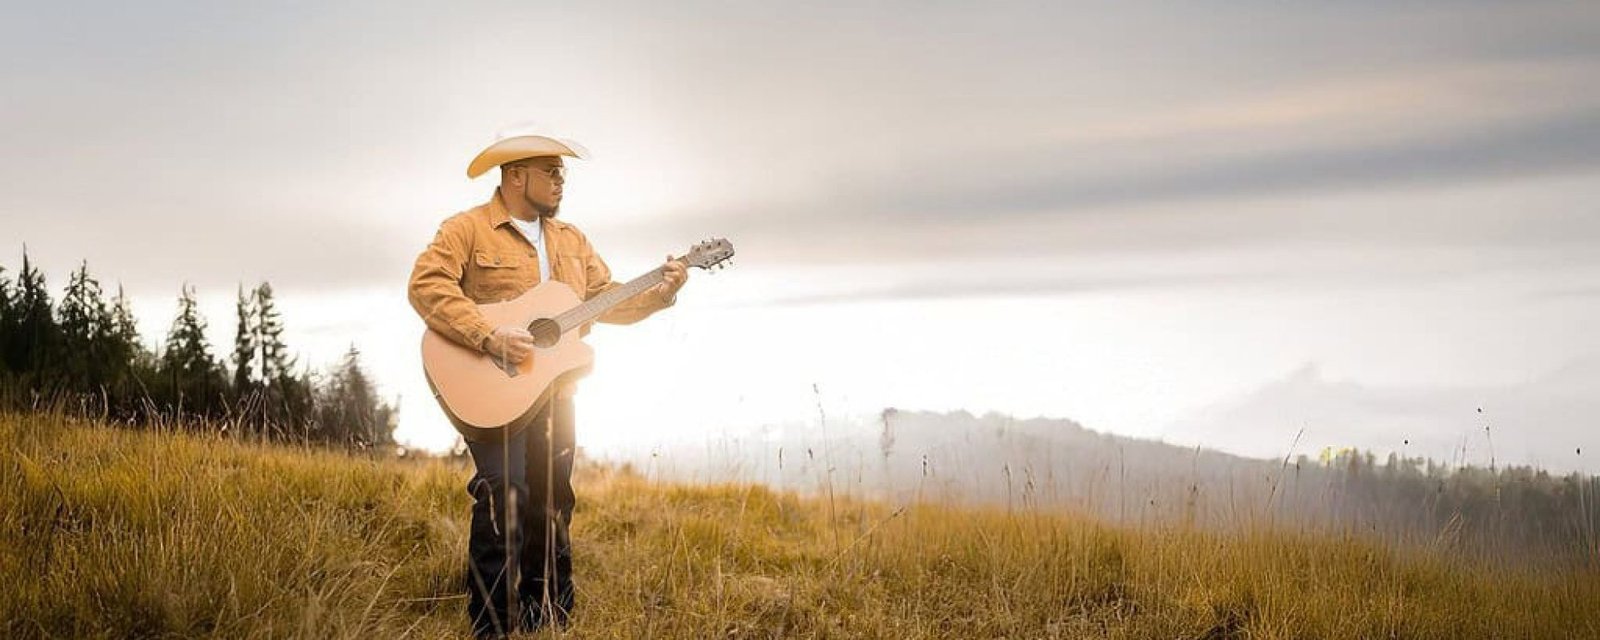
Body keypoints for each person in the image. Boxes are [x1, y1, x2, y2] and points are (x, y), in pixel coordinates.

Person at [407, 132, 688, 638]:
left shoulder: (572, 240)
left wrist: (660, 293)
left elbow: (605, 298)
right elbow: (426, 285)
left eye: (563, 173)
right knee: (505, 492)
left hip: (556, 392)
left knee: (554, 498)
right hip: (490, 390)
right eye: (551, 172)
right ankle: (493, 624)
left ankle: (550, 616)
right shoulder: (466, 229)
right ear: (516, 176)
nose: (561, 181)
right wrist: (488, 336)